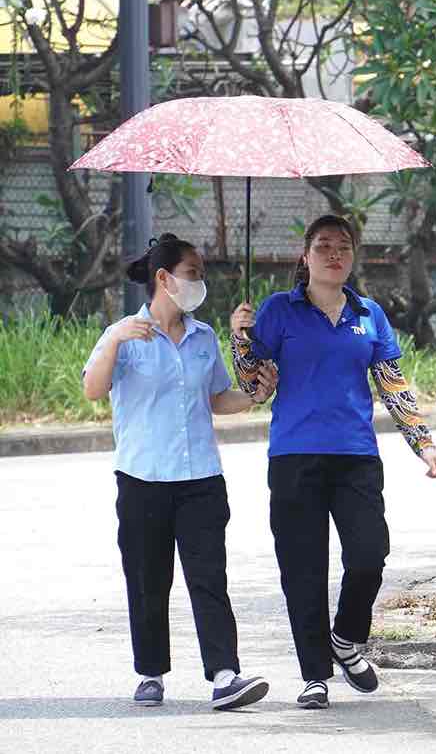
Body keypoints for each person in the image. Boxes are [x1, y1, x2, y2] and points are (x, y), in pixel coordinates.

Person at [229, 214, 436, 710]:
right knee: (303, 568)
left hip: (355, 457)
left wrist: (423, 443)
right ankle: (314, 676)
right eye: (323, 245)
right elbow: (252, 387)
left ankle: (346, 639)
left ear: (353, 257)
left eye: (343, 246)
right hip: (294, 457)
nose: (334, 254)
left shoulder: (369, 314)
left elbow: (392, 384)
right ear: (304, 257)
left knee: (370, 554)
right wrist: (242, 337)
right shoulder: (278, 311)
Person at [82, 234, 275, 710]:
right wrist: (112, 340)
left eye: (201, 274)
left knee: (209, 577)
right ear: (164, 279)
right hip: (142, 479)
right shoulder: (124, 334)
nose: (200, 283)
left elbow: (216, 398)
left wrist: (254, 396)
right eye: (193, 273)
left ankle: (225, 674)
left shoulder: (204, 337)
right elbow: (92, 389)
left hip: (201, 481)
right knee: (148, 580)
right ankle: (150, 673)